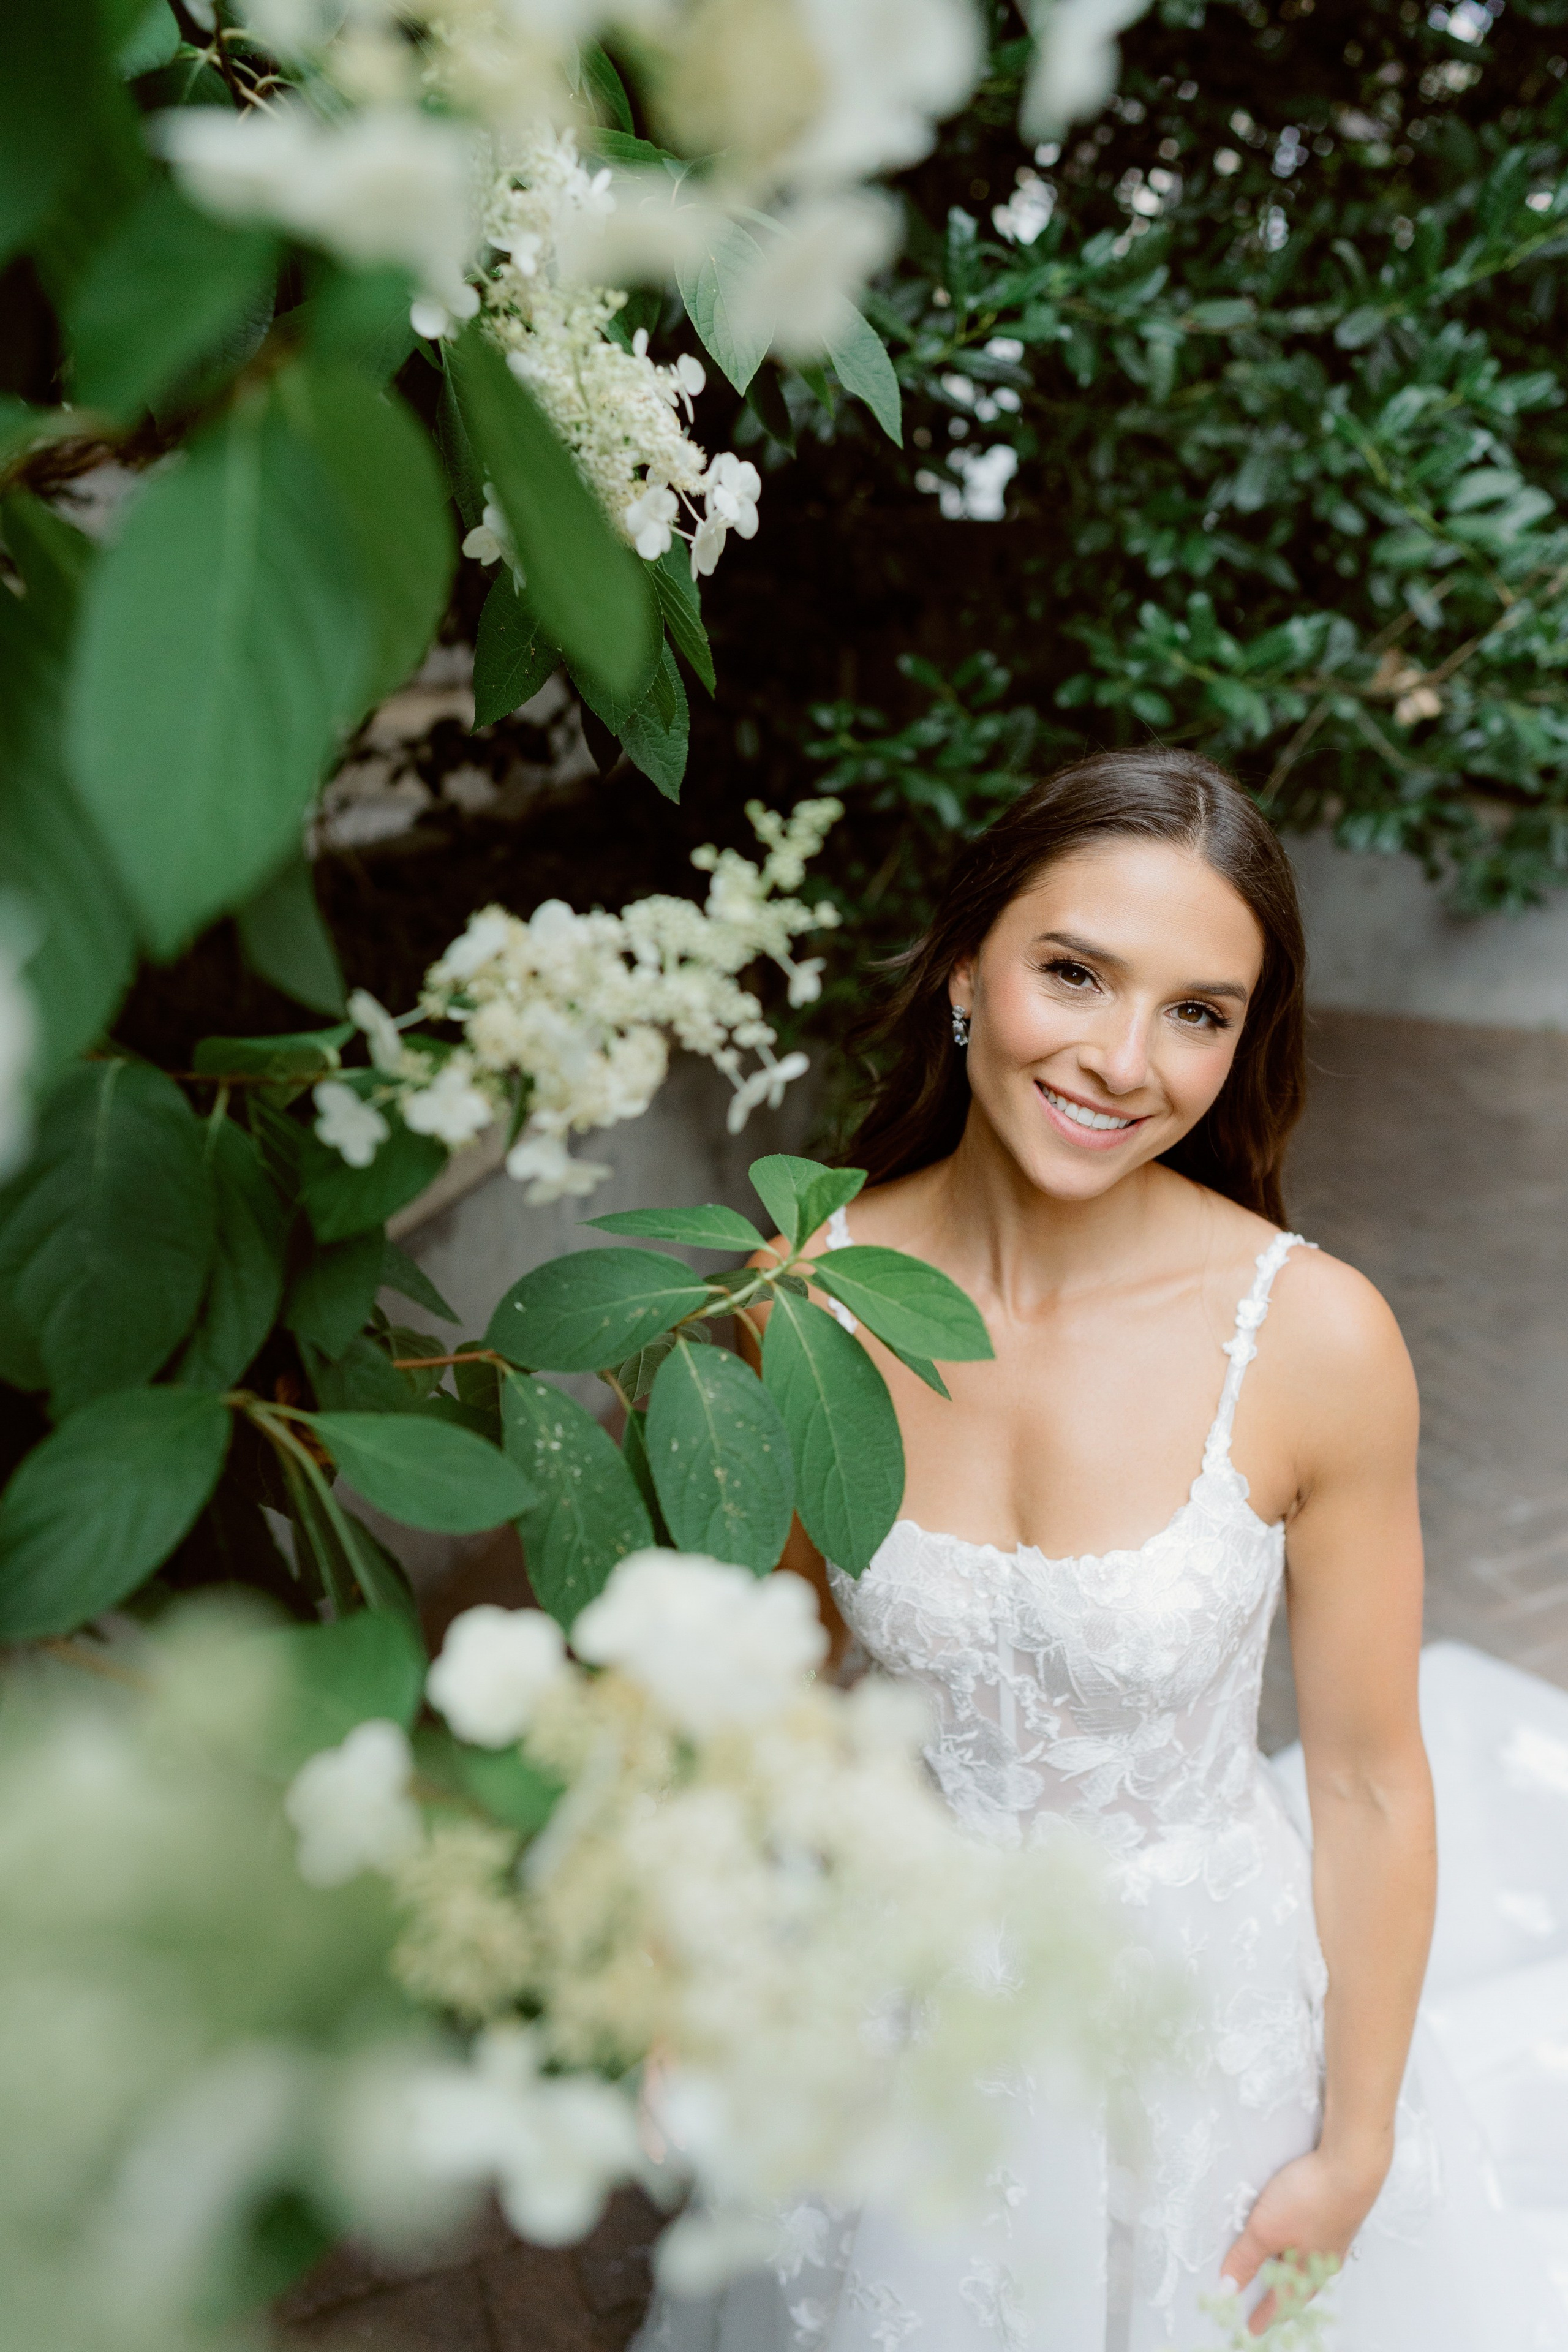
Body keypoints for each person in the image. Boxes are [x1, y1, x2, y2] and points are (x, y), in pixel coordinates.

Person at [636, 750, 1567, 2351]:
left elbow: (1362, 1779)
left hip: (1197, 2029)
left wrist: (1353, 2148)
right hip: (899, 2002)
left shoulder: (1315, 1338)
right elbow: (745, 1703)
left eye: (1199, 1013)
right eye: (1076, 974)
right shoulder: (802, 1299)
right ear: (960, 973)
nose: (1126, 1060)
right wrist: (675, 1996)